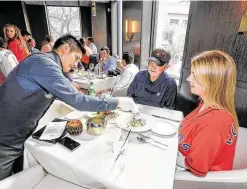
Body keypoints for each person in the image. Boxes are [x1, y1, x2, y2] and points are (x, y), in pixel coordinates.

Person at [0, 34, 138, 180]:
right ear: (65, 49)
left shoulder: (44, 61)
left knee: (18, 174)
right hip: (7, 136)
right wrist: (116, 102)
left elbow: (66, 84)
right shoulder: (44, 64)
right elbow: (78, 100)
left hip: (19, 133)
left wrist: (70, 82)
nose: (76, 64)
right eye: (76, 58)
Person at [176, 50, 239, 177]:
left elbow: (196, 166)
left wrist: (169, 153)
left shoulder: (216, 122)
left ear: (211, 80)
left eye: (194, 74)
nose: (189, 78)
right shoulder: (205, 104)